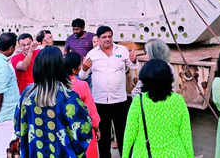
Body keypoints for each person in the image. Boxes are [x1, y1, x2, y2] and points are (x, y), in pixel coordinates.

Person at [14, 46, 92, 157]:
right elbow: (83, 132)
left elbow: (18, 128)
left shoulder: (27, 94)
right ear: (60, 68)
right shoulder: (68, 97)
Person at [79, 25, 138, 158]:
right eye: (104, 37)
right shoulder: (92, 54)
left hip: (120, 100)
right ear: (98, 39)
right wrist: (83, 68)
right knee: (103, 136)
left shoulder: (122, 50)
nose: (107, 39)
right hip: (100, 102)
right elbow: (82, 77)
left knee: (123, 133)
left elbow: (133, 66)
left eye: (109, 36)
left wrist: (134, 60)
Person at [123, 59, 194, 157]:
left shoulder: (138, 102)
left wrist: (125, 156)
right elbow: (186, 134)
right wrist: (190, 155)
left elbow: (129, 135)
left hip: (144, 153)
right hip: (175, 153)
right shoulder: (178, 101)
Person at [64, 52, 100, 158]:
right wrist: (96, 127)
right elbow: (91, 109)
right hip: (83, 130)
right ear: (75, 70)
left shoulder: (58, 85)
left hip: (65, 130)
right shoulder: (82, 85)